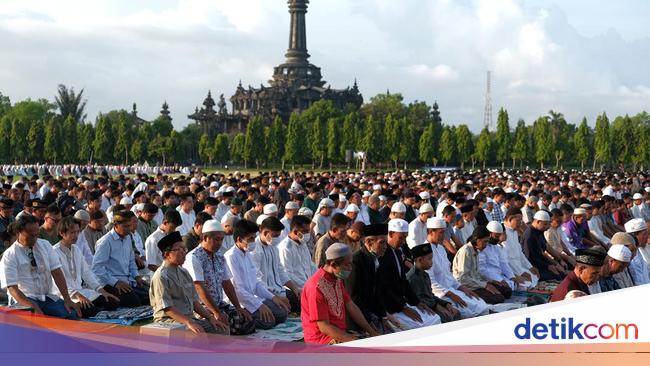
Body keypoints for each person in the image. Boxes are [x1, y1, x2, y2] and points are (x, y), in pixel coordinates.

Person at [0, 215, 81, 319]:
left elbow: (57, 272)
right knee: (37, 320)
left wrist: (67, 299)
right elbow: (13, 289)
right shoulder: (9, 255)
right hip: (24, 299)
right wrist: (32, 307)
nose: (34, 239)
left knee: (71, 315)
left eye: (36, 235)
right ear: (18, 233)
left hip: (46, 297)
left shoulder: (45, 245)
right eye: (30, 236)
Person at [184, 219, 255, 335]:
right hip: (201, 308)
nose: (220, 243)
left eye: (221, 239)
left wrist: (238, 307)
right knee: (223, 327)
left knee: (247, 319)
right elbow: (199, 288)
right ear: (205, 238)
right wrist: (216, 312)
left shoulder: (219, 256)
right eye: (216, 239)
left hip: (219, 304)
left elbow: (227, 283)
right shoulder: (194, 257)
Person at [149, 231, 228, 334]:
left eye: (184, 249)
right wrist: (189, 323)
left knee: (223, 329)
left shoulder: (184, 272)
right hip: (170, 321)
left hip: (188, 318)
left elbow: (195, 302)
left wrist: (210, 318)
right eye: (179, 249)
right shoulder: (161, 276)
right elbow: (167, 308)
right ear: (167, 254)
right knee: (198, 335)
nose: (184, 252)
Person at [301, 243, 379, 344]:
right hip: (322, 341)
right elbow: (324, 327)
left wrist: (371, 331)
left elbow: (352, 306)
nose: (350, 268)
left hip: (340, 333)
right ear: (333, 264)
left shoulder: (336, 279)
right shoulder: (316, 288)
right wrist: (353, 340)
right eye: (347, 264)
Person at [224, 219, 289, 330]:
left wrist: (273, 297)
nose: (254, 242)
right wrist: (259, 305)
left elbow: (256, 283)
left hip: (254, 298)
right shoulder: (231, 257)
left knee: (282, 313)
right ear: (239, 239)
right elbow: (237, 290)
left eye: (254, 238)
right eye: (250, 239)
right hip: (241, 302)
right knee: (268, 322)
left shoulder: (247, 254)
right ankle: (243, 318)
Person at [377, 219, 440, 331]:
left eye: (405, 237)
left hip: (401, 303)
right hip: (391, 308)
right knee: (420, 327)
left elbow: (403, 282)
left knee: (434, 318)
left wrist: (417, 302)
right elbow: (385, 288)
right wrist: (404, 308)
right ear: (391, 234)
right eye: (401, 237)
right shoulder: (382, 255)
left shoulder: (397, 252)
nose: (404, 241)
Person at [53, 217, 120, 318]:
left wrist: (101, 290)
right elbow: (58, 281)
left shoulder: (76, 249)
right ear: (62, 233)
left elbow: (86, 272)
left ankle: (88, 306)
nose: (76, 236)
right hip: (65, 295)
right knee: (91, 310)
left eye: (77, 232)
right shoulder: (54, 252)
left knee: (112, 302)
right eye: (72, 232)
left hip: (81, 291)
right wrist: (78, 296)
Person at [423, 217, 488, 318]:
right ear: (430, 231)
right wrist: (452, 295)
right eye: (441, 233)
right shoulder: (424, 251)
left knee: (481, 304)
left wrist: (462, 288)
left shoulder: (441, 249)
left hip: (452, 289)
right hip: (441, 295)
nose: (443, 236)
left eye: (444, 232)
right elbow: (431, 283)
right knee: (470, 313)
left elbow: (449, 275)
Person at [92, 211, 150, 307]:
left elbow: (131, 261)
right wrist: (115, 282)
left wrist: (137, 276)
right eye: (126, 226)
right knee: (135, 302)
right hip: (109, 282)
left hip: (127, 280)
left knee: (149, 294)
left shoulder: (127, 238)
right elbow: (96, 269)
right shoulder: (105, 242)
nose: (129, 229)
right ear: (116, 225)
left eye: (130, 226)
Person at [348, 224, 397, 333]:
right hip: (359, 318)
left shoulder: (375, 259)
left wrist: (383, 316)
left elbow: (377, 292)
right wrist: (370, 323)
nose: (385, 247)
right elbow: (354, 298)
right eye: (382, 243)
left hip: (374, 314)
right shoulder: (356, 262)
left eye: (386, 242)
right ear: (369, 243)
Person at [251, 216, 302, 312]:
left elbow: (280, 271)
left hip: (279, 290)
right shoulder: (254, 250)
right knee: (281, 313)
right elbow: (257, 280)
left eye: (278, 236)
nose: (277, 239)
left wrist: (294, 288)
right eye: (275, 236)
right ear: (265, 233)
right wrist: (276, 297)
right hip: (265, 294)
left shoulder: (273, 247)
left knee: (302, 300)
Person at [453, 226, 510, 304]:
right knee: (498, 298)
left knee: (506, 290)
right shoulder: (466, 251)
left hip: (477, 282)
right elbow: (463, 278)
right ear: (478, 240)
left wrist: (491, 281)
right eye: (485, 242)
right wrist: (485, 285)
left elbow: (477, 273)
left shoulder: (476, 250)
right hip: (468, 286)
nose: (486, 245)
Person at [407, 243, 460, 323]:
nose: (432, 262)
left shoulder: (424, 274)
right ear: (420, 260)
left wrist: (445, 304)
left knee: (456, 312)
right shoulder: (413, 277)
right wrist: (437, 306)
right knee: (446, 317)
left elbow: (430, 295)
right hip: (422, 308)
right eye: (429, 259)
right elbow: (419, 299)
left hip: (430, 305)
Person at [480, 221, 531, 291]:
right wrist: (500, 280)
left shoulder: (495, 247)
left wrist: (512, 277)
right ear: (490, 234)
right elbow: (483, 271)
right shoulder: (482, 248)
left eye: (499, 236)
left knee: (521, 286)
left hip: (500, 276)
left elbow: (503, 263)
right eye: (496, 236)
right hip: (490, 278)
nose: (498, 239)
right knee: (506, 289)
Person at [523, 210, 566, 281]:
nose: (548, 227)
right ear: (538, 222)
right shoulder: (529, 235)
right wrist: (548, 266)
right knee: (556, 277)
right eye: (545, 224)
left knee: (562, 273)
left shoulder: (540, 231)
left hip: (542, 263)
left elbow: (545, 249)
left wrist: (557, 262)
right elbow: (529, 258)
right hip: (534, 266)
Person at [277, 215, 317, 292]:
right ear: (296, 232)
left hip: (309, 287)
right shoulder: (285, 248)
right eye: (305, 231)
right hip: (295, 290)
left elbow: (310, 265)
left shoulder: (302, 243)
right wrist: (308, 286)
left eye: (308, 231)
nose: (308, 234)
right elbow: (287, 274)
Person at [624, 218, 650, 285]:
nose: (647, 237)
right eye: (644, 234)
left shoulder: (639, 249)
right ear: (634, 236)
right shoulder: (629, 255)